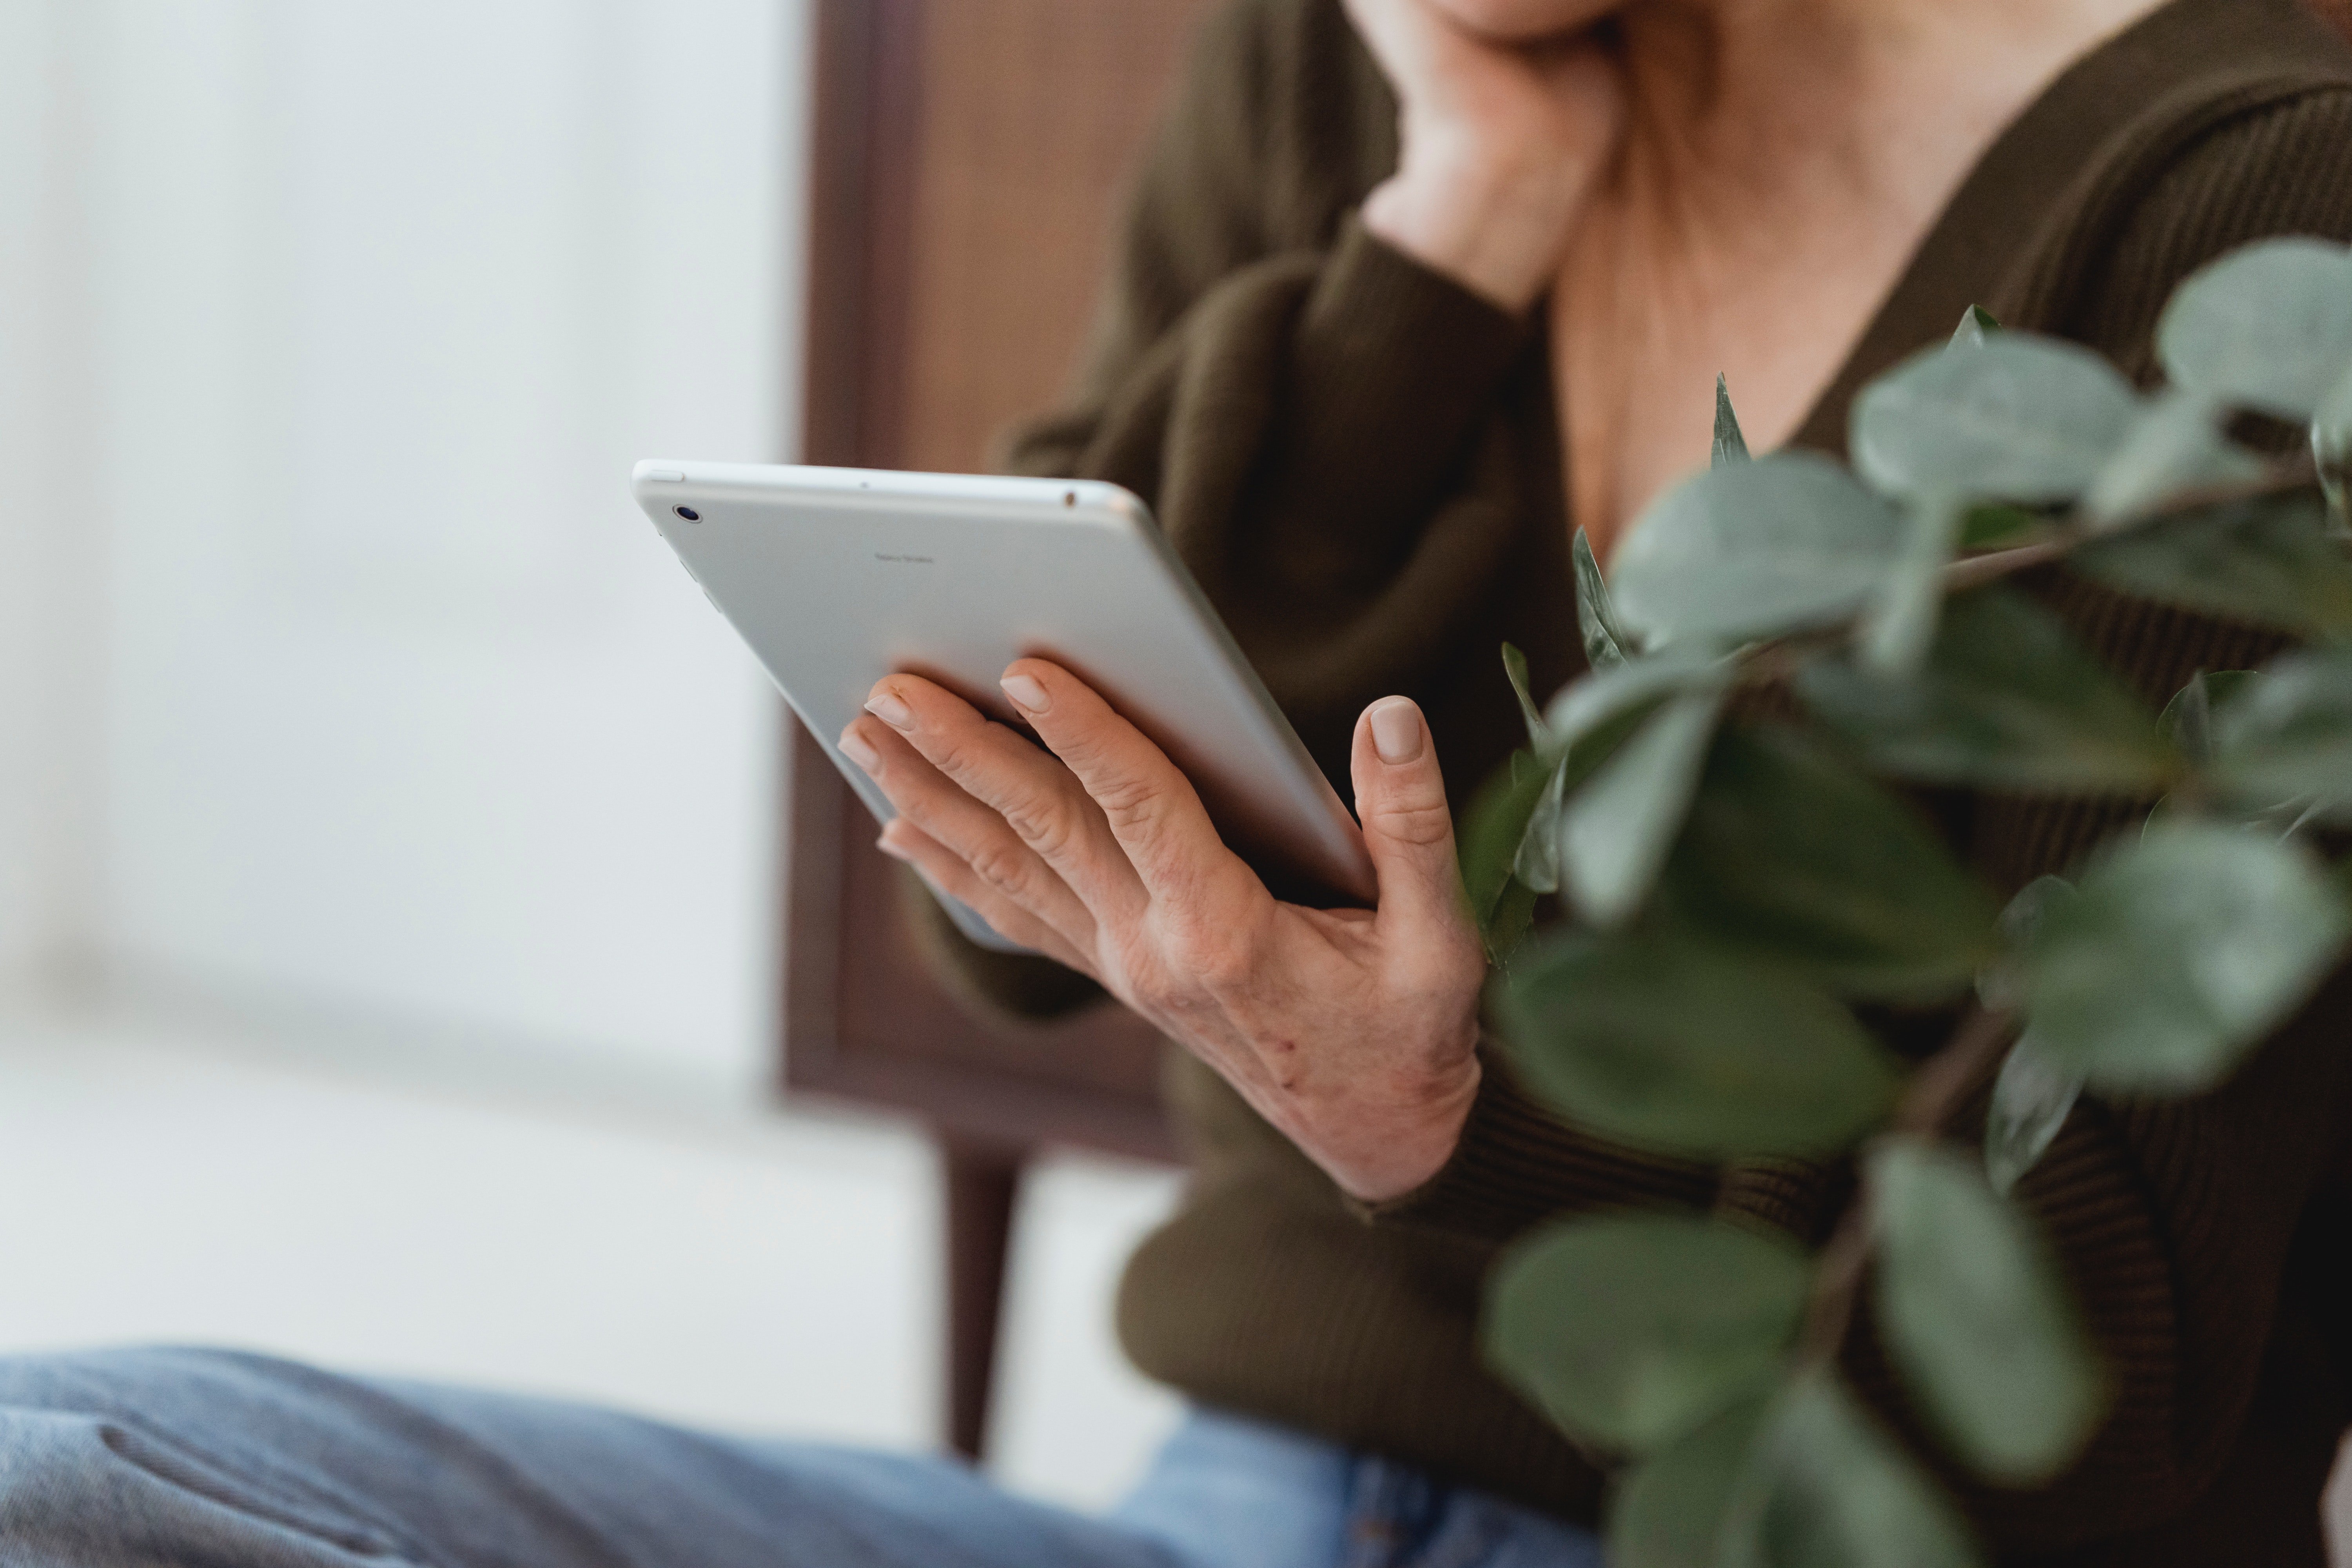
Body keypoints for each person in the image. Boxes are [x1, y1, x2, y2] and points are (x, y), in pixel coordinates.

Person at [4, 0, 2348, 1564]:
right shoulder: (1374, 74)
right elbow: (981, 937)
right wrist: (1454, 223)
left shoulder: (2249, 207)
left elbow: (2100, 1375)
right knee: (57, 1473)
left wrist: (1453, 1110)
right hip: (1227, 1509)